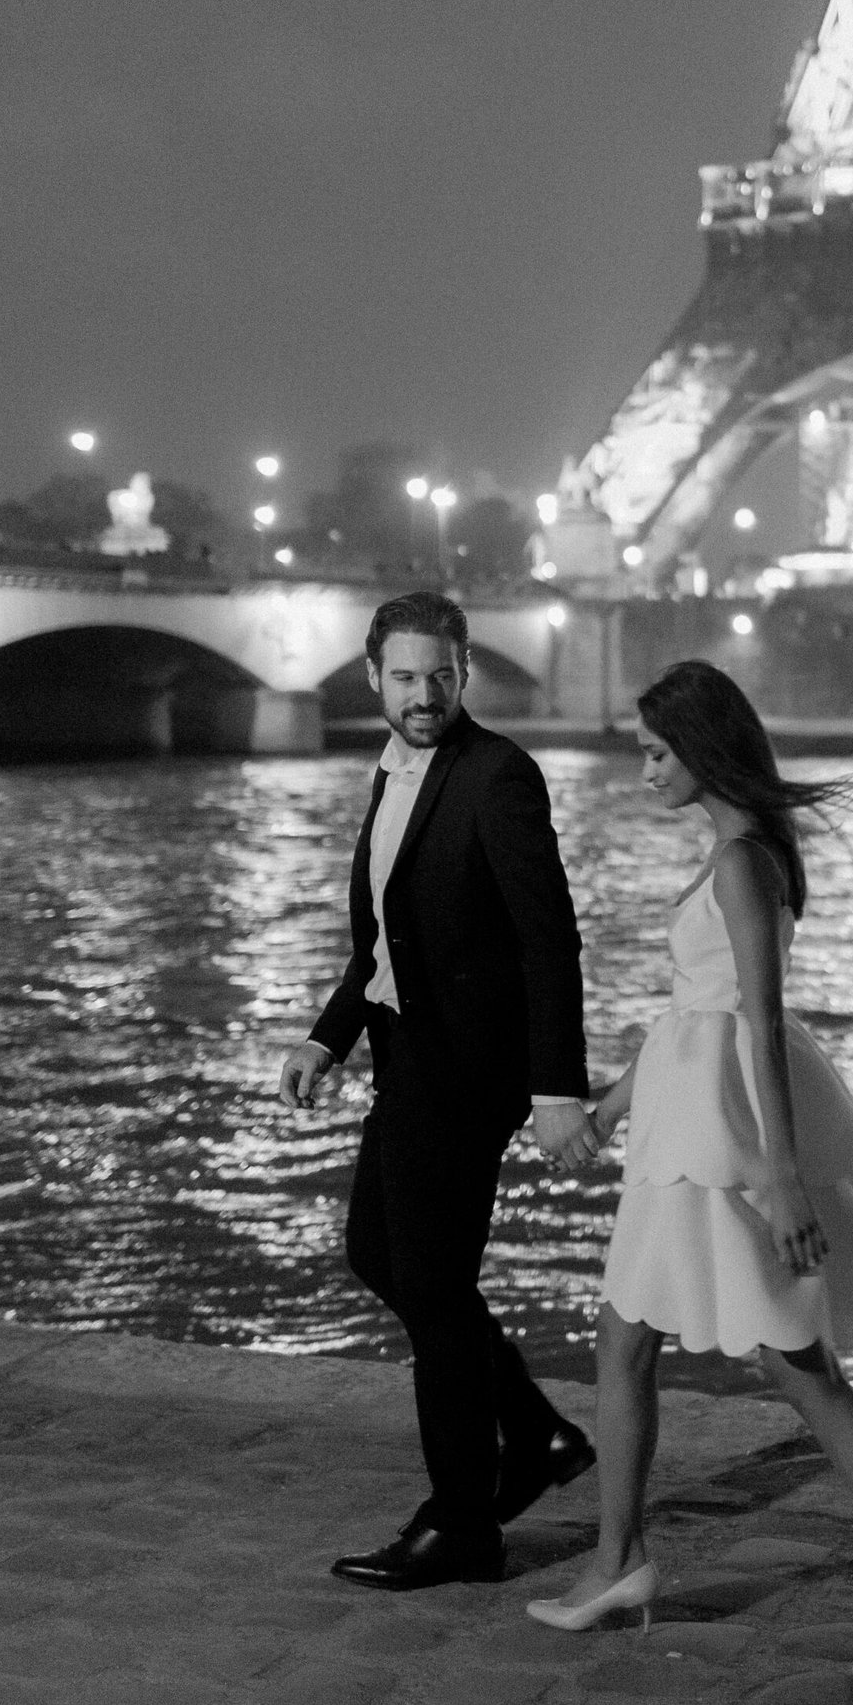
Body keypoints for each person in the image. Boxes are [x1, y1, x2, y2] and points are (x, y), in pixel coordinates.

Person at [526, 660, 853, 1689]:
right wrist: (606, 1105)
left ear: (702, 747)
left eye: (654, 752)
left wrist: (780, 1175)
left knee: (795, 1364)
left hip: (721, 1138)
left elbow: (758, 1022)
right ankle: (620, 1558)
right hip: (690, 1122)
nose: (642, 771)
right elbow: (696, 1010)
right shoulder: (740, 852)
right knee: (632, 1339)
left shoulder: (742, 863)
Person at [279, 591, 599, 1590]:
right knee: (380, 1254)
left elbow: (549, 938)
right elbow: (383, 938)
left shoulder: (499, 775)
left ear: (467, 673)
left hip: (466, 1072)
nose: (427, 694)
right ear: (373, 677)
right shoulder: (395, 774)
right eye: (408, 677)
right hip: (405, 1056)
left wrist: (556, 1086)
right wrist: (327, 1035)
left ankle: (464, 1519)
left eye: (443, 676)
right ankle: (536, 1433)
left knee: (425, 1280)